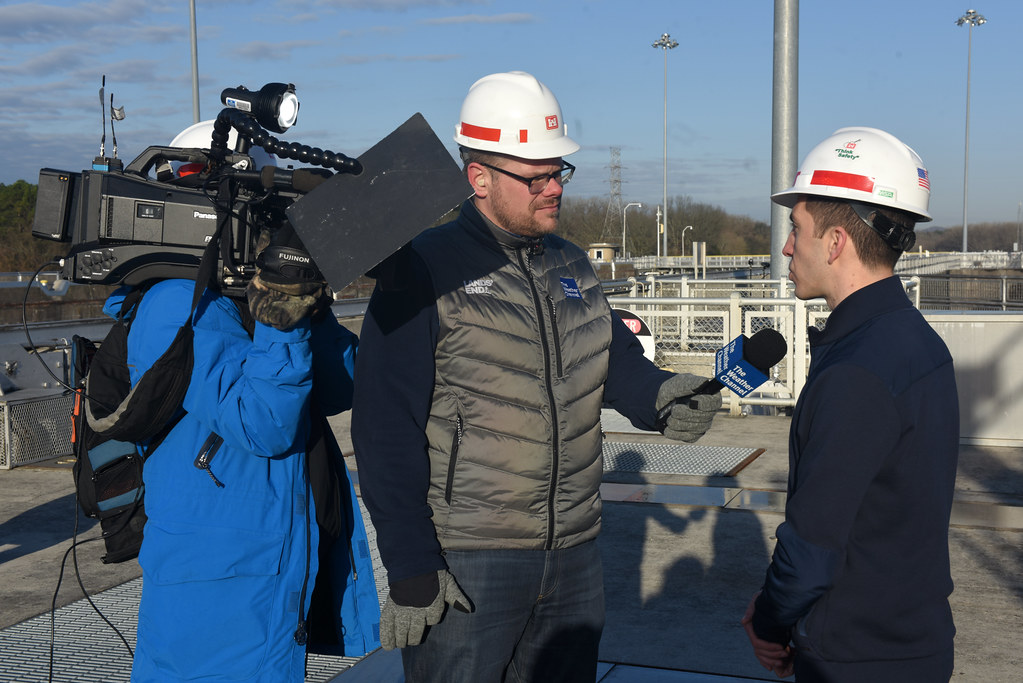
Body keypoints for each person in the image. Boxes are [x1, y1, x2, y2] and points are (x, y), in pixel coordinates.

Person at [351, 70, 721, 683]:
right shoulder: (419, 270)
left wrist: (659, 395)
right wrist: (412, 564)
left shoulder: (571, 261)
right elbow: (384, 426)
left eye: (558, 172)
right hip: (468, 560)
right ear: (479, 178)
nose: (554, 188)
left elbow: (610, 358)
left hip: (574, 554)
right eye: (536, 177)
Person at [115, 122, 380, 682]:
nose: (270, 224)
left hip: (268, 564)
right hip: (214, 584)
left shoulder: (247, 295)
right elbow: (262, 423)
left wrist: (305, 302)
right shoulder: (173, 304)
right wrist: (282, 314)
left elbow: (340, 386)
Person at [741, 127, 959, 681]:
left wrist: (768, 621)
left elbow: (812, 549)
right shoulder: (914, 340)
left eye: (797, 229)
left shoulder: (857, 371)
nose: (787, 246)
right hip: (909, 641)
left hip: (858, 657)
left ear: (835, 242)